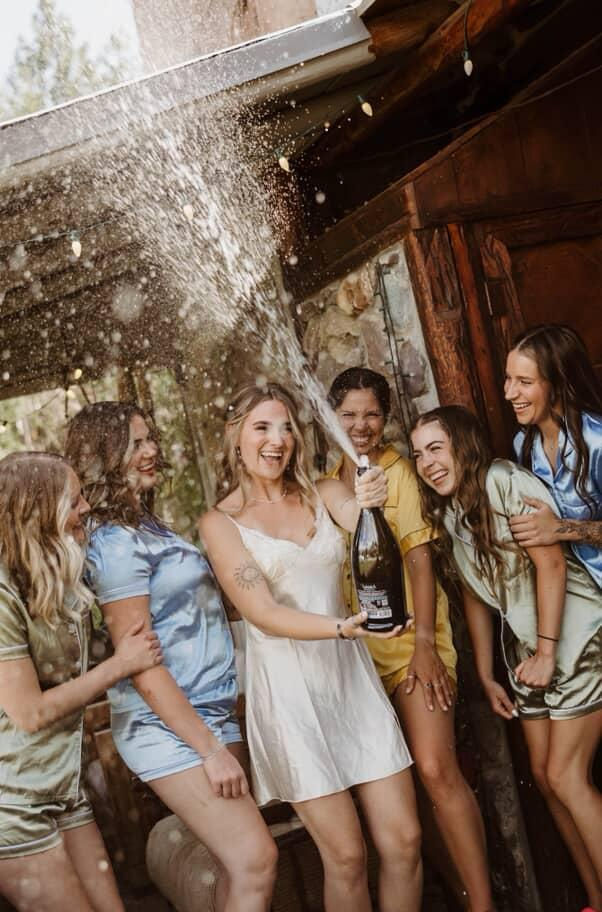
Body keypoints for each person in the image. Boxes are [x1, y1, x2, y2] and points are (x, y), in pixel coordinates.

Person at [199, 381, 422, 912]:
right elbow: (264, 614)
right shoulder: (219, 523)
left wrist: (371, 497)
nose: (276, 440)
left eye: (285, 428)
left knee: (406, 842)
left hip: (352, 683)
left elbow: (358, 515)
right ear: (236, 437)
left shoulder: (324, 493)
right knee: (346, 858)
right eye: (261, 427)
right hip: (291, 699)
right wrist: (344, 629)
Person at [65, 402, 277, 912]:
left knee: (237, 867)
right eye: (136, 443)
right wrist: (207, 749)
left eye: (150, 439)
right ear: (104, 456)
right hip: (170, 728)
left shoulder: (147, 527)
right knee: (256, 860)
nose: (152, 451)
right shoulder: (114, 545)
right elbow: (140, 662)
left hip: (210, 712)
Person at [411, 405, 602, 912]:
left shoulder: (503, 481)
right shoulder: (450, 508)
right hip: (528, 648)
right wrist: (484, 672)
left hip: (575, 636)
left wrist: (545, 652)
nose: (426, 463)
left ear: (463, 444)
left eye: (436, 448)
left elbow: (552, 565)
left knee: (566, 776)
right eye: (417, 454)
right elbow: (476, 594)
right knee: (543, 777)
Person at [326, 367, 494, 912]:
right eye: (349, 414)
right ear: (331, 416)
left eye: (372, 413)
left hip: (410, 650)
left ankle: (485, 905)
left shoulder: (398, 472)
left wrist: (425, 644)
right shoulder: (330, 477)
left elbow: (420, 561)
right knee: (407, 795)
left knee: (436, 770)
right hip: (362, 662)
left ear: (386, 417)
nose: (361, 425)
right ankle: (459, 896)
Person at [0, 451, 161, 912]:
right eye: (74, 501)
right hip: (14, 803)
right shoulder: (2, 594)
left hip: (64, 788)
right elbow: (29, 713)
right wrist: (119, 665)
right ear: (37, 511)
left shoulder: (53, 573)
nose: (86, 509)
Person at [505, 323, 602, 585]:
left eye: (524, 382)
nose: (509, 393)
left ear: (558, 384)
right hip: (571, 588)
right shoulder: (522, 443)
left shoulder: (597, 441)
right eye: (508, 378)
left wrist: (559, 529)